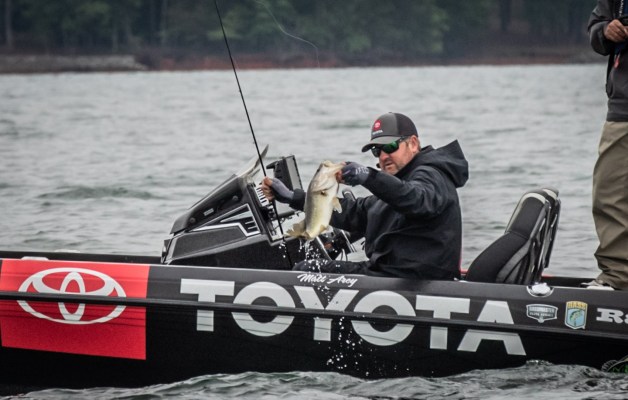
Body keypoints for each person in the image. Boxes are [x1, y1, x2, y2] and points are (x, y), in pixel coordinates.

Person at [261, 112, 468, 280]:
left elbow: (416, 200)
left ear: (413, 144)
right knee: (306, 266)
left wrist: (368, 176)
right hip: (390, 275)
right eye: (377, 151)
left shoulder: (431, 175)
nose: (384, 156)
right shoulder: (399, 181)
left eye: (390, 147)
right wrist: (293, 198)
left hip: (415, 281)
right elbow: (357, 213)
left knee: (307, 271)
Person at [587, 1, 628, 290]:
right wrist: (605, 31)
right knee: (609, 194)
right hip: (622, 109)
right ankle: (619, 277)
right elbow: (595, 28)